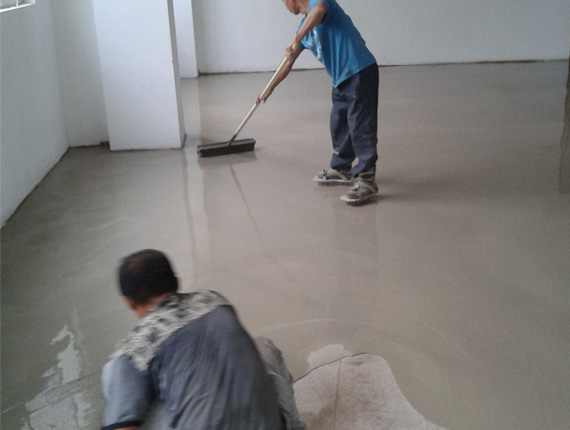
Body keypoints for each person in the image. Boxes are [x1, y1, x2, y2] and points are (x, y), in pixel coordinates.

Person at [101, 249, 306, 430]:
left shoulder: (137, 347)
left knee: (115, 375)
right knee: (262, 347)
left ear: (128, 302)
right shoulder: (214, 300)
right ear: (176, 282)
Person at [258, 0, 379, 205]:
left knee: (360, 126)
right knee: (339, 123)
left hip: (359, 70)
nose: (284, 6)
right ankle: (342, 168)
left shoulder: (320, 3)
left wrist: (297, 38)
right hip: (340, 79)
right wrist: (269, 88)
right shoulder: (304, 28)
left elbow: (320, 9)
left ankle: (367, 180)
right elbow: (287, 62)